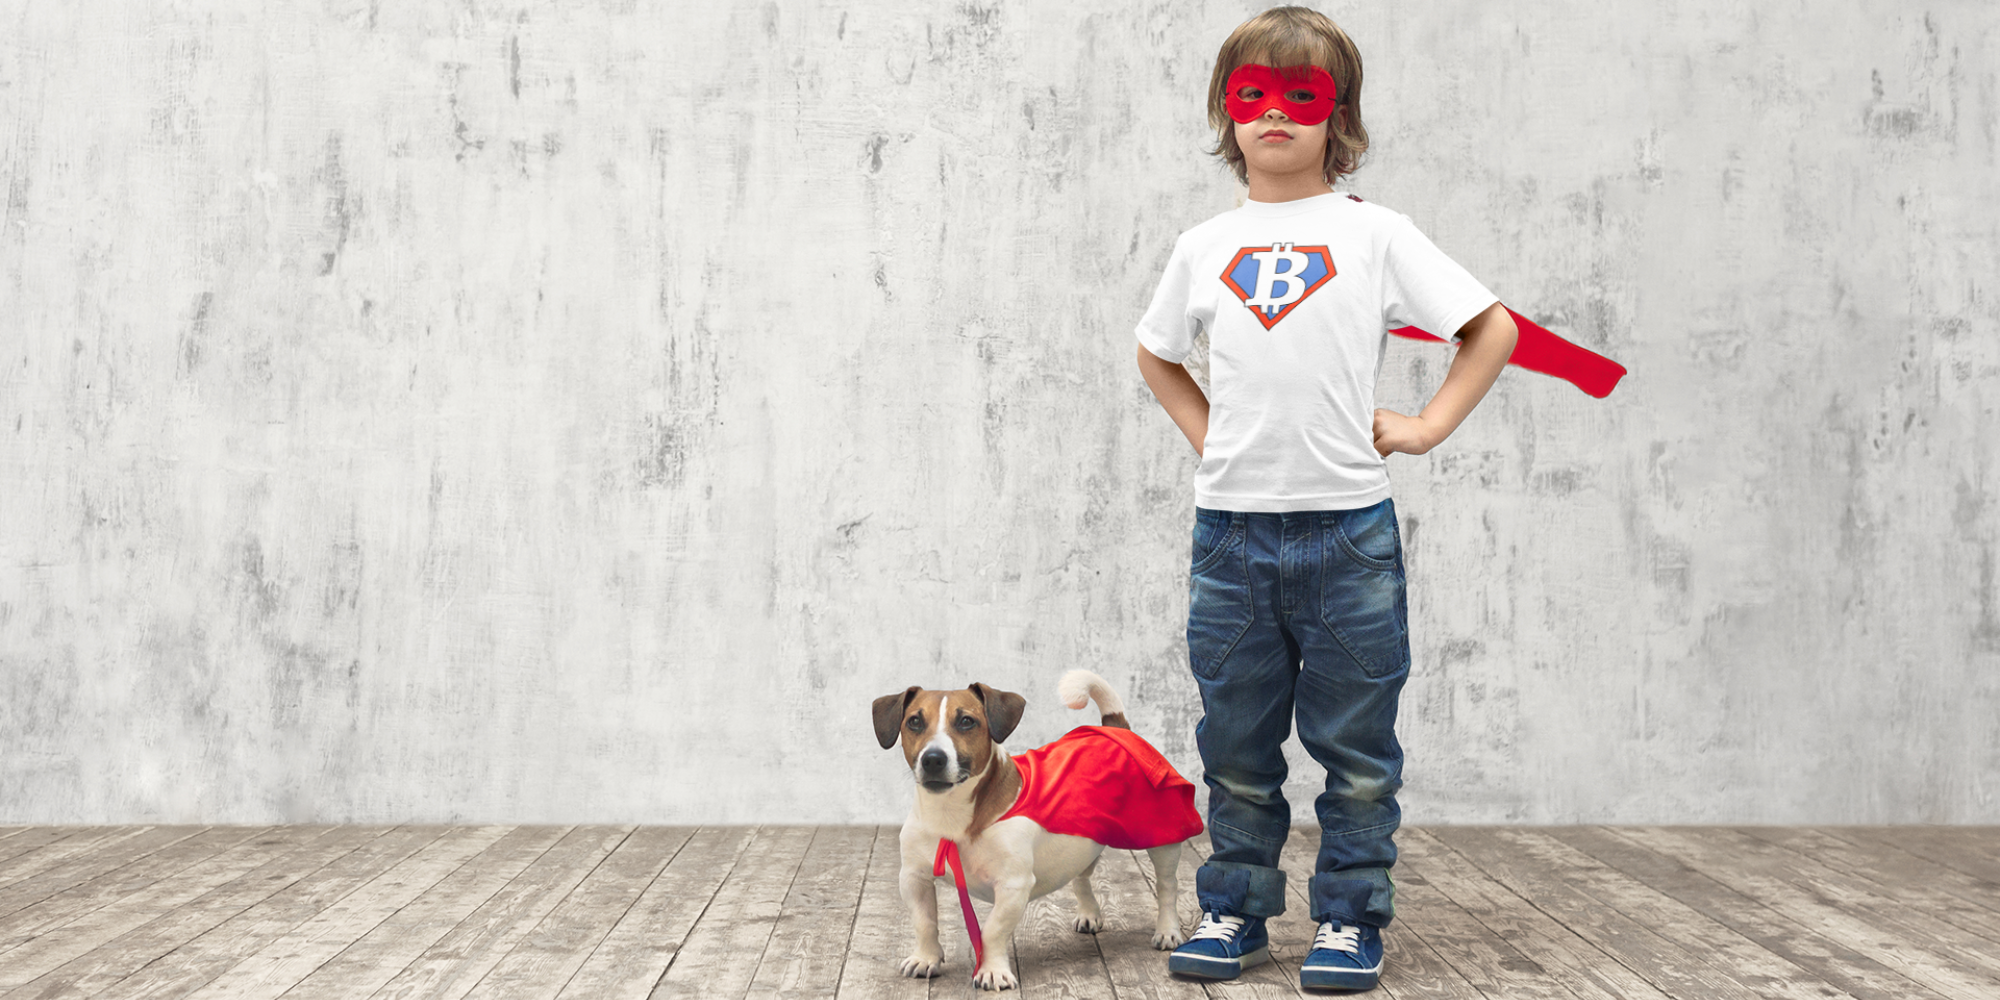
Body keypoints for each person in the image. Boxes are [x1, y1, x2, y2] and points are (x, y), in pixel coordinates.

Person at [1133, 6, 1518, 992]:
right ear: (1227, 111)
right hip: (1229, 539)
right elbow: (1156, 351)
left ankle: (1348, 919)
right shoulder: (1203, 244)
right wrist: (1206, 432)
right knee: (1235, 743)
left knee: (1353, 749)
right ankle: (1234, 909)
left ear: (1333, 114)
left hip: (1347, 536)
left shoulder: (1374, 234)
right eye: (1250, 93)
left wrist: (1426, 426)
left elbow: (1490, 328)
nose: (1272, 114)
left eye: (1297, 96)